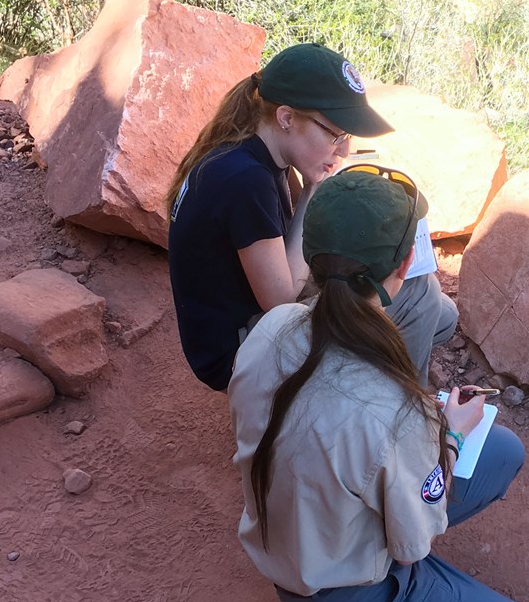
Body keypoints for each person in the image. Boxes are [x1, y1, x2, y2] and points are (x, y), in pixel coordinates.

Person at [228, 168, 529, 602]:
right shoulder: (392, 409)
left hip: (301, 540)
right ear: (398, 271)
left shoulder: (273, 327)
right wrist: (450, 435)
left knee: (502, 452)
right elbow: (412, 543)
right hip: (343, 601)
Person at [166, 42, 457, 391]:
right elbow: (281, 299)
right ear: (287, 118)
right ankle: (397, 413)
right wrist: (316, 190)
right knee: (421, 297)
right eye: (336, 134)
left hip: (249, 319)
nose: (344, 149)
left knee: (442, 316)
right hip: (239, 351)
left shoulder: (248, 152)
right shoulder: (245, 181)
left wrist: (310, 187)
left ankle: (365, 388)